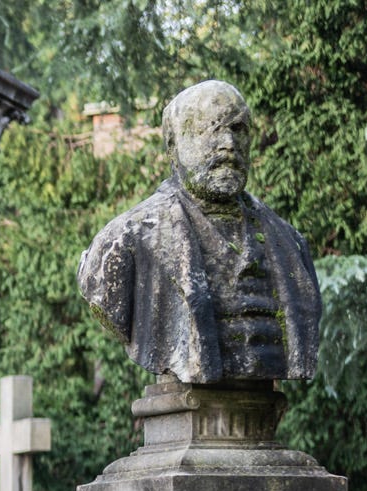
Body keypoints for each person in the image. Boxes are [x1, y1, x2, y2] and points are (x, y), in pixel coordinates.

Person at [77, 80, 321, 385]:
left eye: (238, 129)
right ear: (172, 145)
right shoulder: (125, 242)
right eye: (211, 130)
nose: (229, 144)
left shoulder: (290, 243)